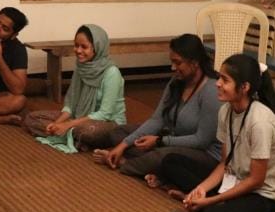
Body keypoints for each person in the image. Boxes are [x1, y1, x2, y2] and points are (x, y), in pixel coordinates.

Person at [157, 53, 275, 212]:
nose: (217, 83)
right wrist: (201, 190)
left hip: (262, 194)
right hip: (235, 179)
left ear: (244, 87)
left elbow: (256, 180)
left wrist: (210, 200)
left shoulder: (260, 122)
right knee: (170, 162)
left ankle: (208, 204)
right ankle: (206, 201)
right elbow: (225, 164)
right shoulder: (225, 111)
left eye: (225, 80)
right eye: (219, 78)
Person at [92, 33, 220, 179]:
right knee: (119, 133)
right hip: (172, 138)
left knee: (163, 156)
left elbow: (201, 141)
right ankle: (146, 163)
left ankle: (125, 163)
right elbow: (157, 120)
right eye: (172, 62)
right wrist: (123, 145)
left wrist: (160, 141)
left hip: (203, 153)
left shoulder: (211, 90)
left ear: (195, 63)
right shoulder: (176, 82)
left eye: (178, 63)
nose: (173, 67)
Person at [23, 24, 125, 152]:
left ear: (97, 48)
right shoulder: (80, 68)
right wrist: (58, 123)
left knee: (87, 131)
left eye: (84, 47)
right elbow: (71, 104)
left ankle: (71, 134)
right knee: (32, 118)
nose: (78, 50)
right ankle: (72, 137)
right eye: (76, 45)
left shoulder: (111, 73)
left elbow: (105, 114)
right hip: (78, 117)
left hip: (108, 122)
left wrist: (67, 125)